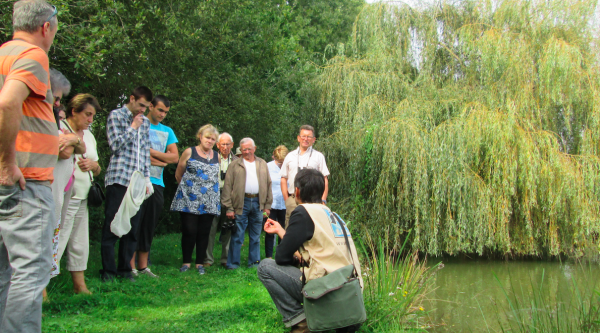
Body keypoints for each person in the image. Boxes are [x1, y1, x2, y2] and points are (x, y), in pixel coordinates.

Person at [0, 1, 58, 331]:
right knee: (30, 272)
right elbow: (7, 102)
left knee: (4, 274)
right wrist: (7, 165)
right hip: (25, 183)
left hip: (11, 182)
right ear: (45, 27)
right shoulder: (32, 54)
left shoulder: (4, 53)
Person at [258, 169, 363, 333]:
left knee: (265, 267)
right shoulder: (331, 214)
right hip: (349, 296)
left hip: (327, 292)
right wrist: (281, 231)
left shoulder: (303, 212)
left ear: (297, 191)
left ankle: (301, 321)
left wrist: (295, 261)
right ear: (322, 192)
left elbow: (281, 257)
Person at [101, 86, 153, 282]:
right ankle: (108, 271)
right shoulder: (116, 116)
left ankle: (125, 270)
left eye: (146, 107)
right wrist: (133, 127)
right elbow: (115, 145)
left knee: (132, 228)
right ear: (131, 98)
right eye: (140, 105)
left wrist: (147, 179)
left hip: (137, 183)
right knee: (113, 225)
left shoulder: (146, 122)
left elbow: (144, 152)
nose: (142, 110)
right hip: (119, 178)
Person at [56, 94, 102, 295]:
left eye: (92, 116)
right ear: (74, 111)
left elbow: (98, 167)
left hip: (83, 195)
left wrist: (93, 166)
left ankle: (80, 285)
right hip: (63, 196)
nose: (90, 120)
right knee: (58, 240)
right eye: (87, 114)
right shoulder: (60, 129)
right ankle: (41, 290)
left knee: (79, 243)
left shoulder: (89, 136)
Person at [130, 95, 179, 278]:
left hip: (157, 183)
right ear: (150, 106)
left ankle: (143, 267)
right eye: (160, 110)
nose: (162, 115)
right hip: (136, 180)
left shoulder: (167, 131)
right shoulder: (139, 124)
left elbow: (174, 158)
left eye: (166, 112)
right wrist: (160, 158)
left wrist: (150, 153)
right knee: (134, 223)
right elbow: (135, 153)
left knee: (148, 225)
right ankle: (130, 266)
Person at [49, 71, 86, 284]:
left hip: (64, 191)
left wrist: (72, 139)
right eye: (55, 98)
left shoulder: (61, 127)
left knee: (55, 233)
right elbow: (64, 152)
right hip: (46, 189)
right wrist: (73, 140)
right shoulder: (45, 121)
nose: (56, 103)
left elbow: (81, 147)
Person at [171, 124, 220, 275]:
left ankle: (200, 263)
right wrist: (189, 190)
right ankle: (186, 262)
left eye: (213, 139)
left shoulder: (217, 156)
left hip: (209, 202)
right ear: (200, 136)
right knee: (189, 230)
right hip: (189, 200)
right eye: (207, 137)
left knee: (204, 232)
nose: (210, 141)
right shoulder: (189, 152)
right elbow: (179, 174)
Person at [222, 138, 273, 269]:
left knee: (255, 236)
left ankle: (254, 263)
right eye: (244, 149)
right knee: (237, 235)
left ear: (254, 149)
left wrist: (267, 206)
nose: (247, 151)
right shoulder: (234, 165)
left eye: (249, 149)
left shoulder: (262, 163)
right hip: (240, 203)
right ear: (240, 150)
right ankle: (233, 264)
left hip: (258, 202)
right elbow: (227, 187)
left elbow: (268, 184)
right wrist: (229, 208)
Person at [280, 125, 330, 227]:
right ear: (298, 138)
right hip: (293, 199)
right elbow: (283, 179)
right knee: (291, 229)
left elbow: (325, 179)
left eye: (309, 137)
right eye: (303, 136)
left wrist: (323, 199)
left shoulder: (318, 156)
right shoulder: (290, 156)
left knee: (311, 228)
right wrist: (287, 199)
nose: (305, 139)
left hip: (313, 201)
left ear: (314, 140)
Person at [204, 133, 238, 268]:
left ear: (232, 145)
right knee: (210, 227)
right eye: (222, 144)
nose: (225, 147)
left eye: (227, 144)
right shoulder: (210, 157)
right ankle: (207, 259)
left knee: (228, 228)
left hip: (230, 196)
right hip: (213, 194)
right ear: (217, 145)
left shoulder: (237, 161)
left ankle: (225, 259)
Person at [265, 145, 289, 258]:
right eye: (279, 162)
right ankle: (269, 256)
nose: (281, 164)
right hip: (272, 205)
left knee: (283, 231)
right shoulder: (267, 167)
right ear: (274, 157)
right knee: (270, 231)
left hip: (285, 204)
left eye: (283, 162)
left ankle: (281, 256)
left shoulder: (291, 167)